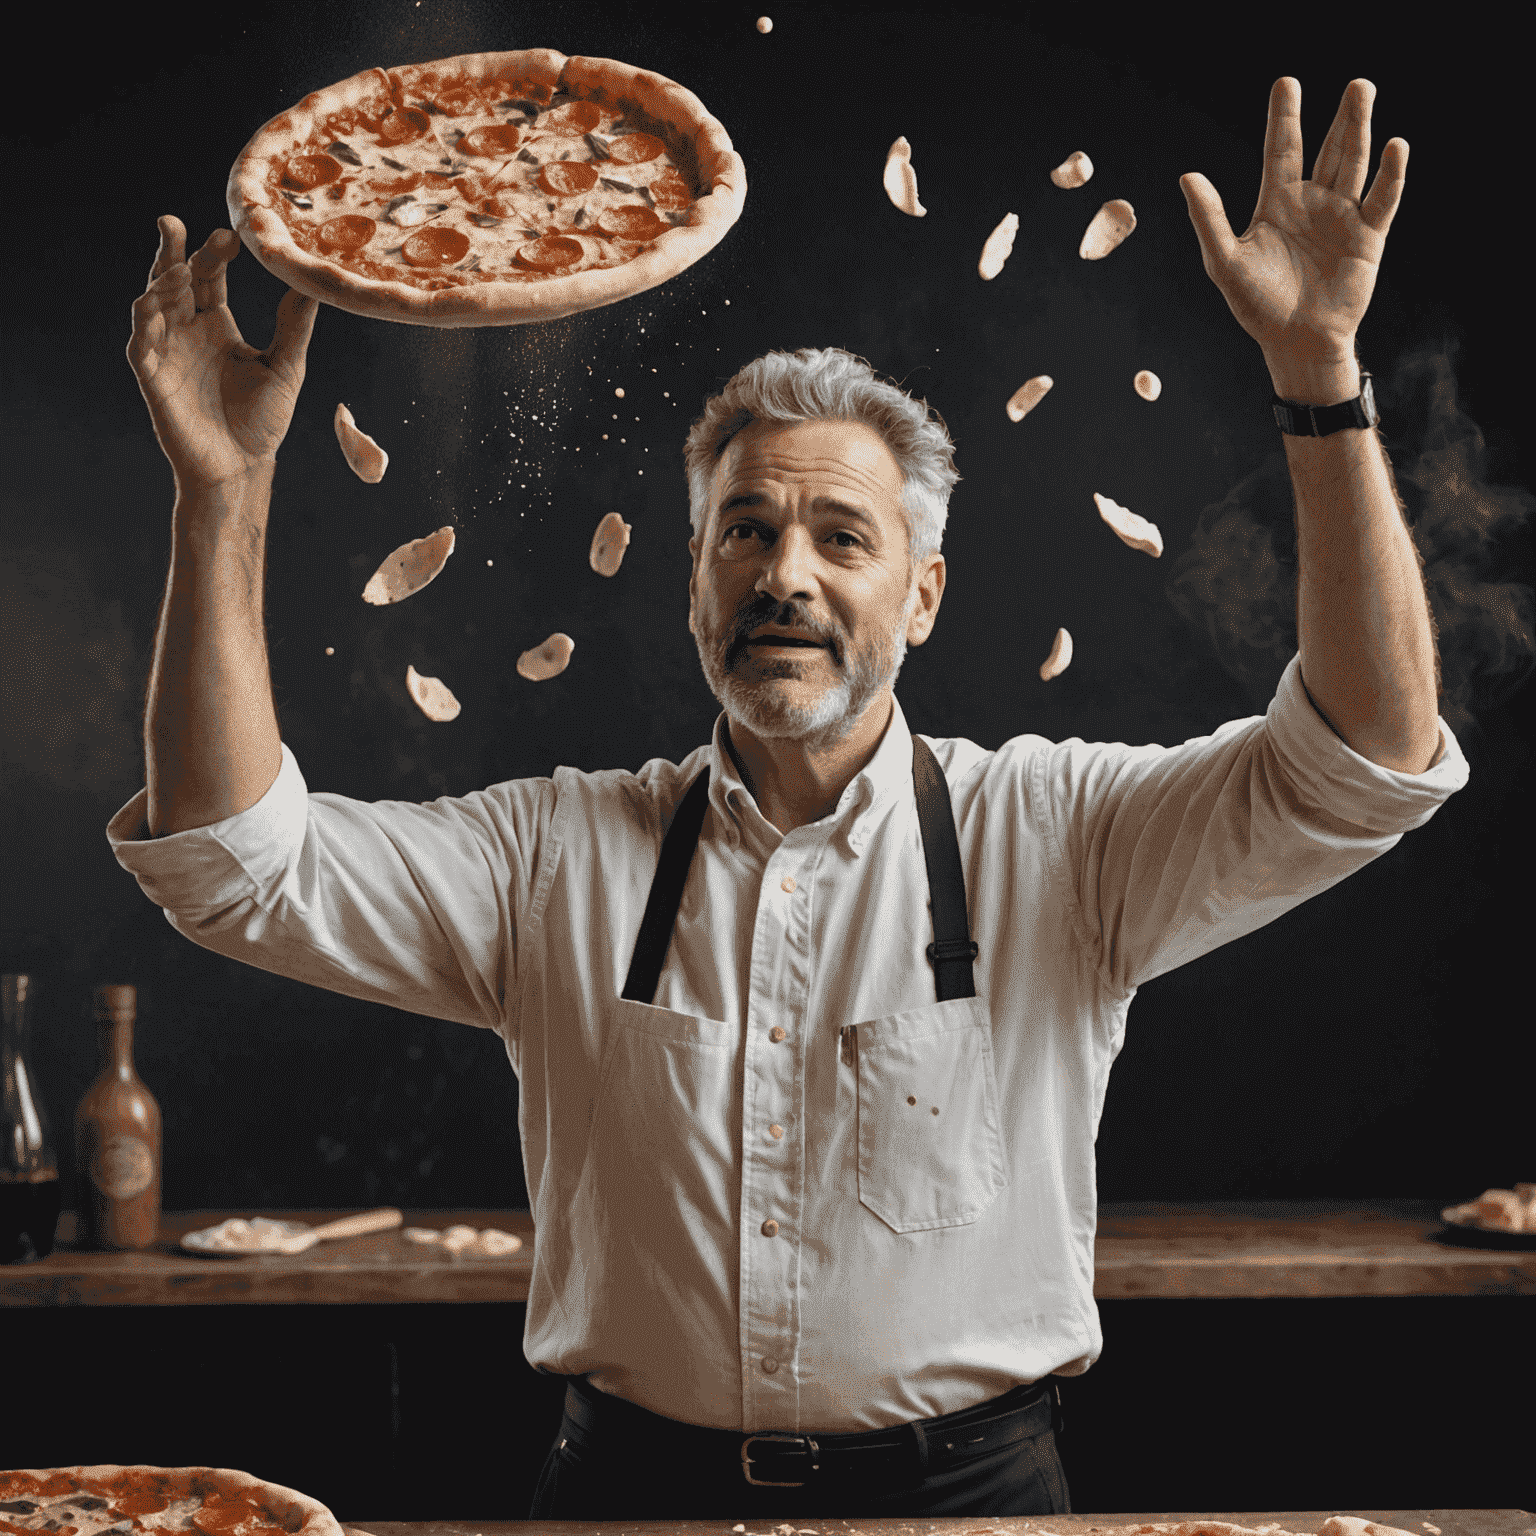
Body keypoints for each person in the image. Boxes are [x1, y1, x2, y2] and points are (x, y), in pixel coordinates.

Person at [111, 77, 1465, 1518]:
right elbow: (231, 856)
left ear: (924, 595)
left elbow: (1361, 760)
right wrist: (224, 491)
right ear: (697, 584)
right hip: (627, 1501)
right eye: (744, 532)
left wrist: (1320, 374)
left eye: (840, 535)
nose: (785, 575)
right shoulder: (555, 854)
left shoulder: (1062, 839)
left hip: (974, 1508)